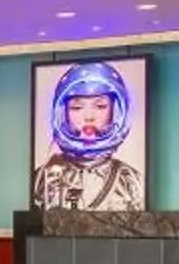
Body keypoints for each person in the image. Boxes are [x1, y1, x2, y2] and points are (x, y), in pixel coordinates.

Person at [32, 59, 144, 211]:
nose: (89, 116)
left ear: (115, 111)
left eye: (100, 106)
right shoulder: (44, 177)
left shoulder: (130, 180)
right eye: (77, 107)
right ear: (63, 114)